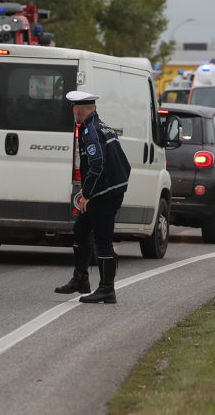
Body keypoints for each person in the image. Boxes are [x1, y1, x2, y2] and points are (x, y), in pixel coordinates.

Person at [53, 91, 131, 304]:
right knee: (80, 230)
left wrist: (87, 194)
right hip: (109, 188)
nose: (73, 112)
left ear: (77, 109)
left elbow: (97, 165)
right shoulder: (101, 125)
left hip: (105, 193)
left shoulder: (91, 131)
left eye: (73, 109)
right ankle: (81, 280)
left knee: (102, 240)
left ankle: (107, 289)